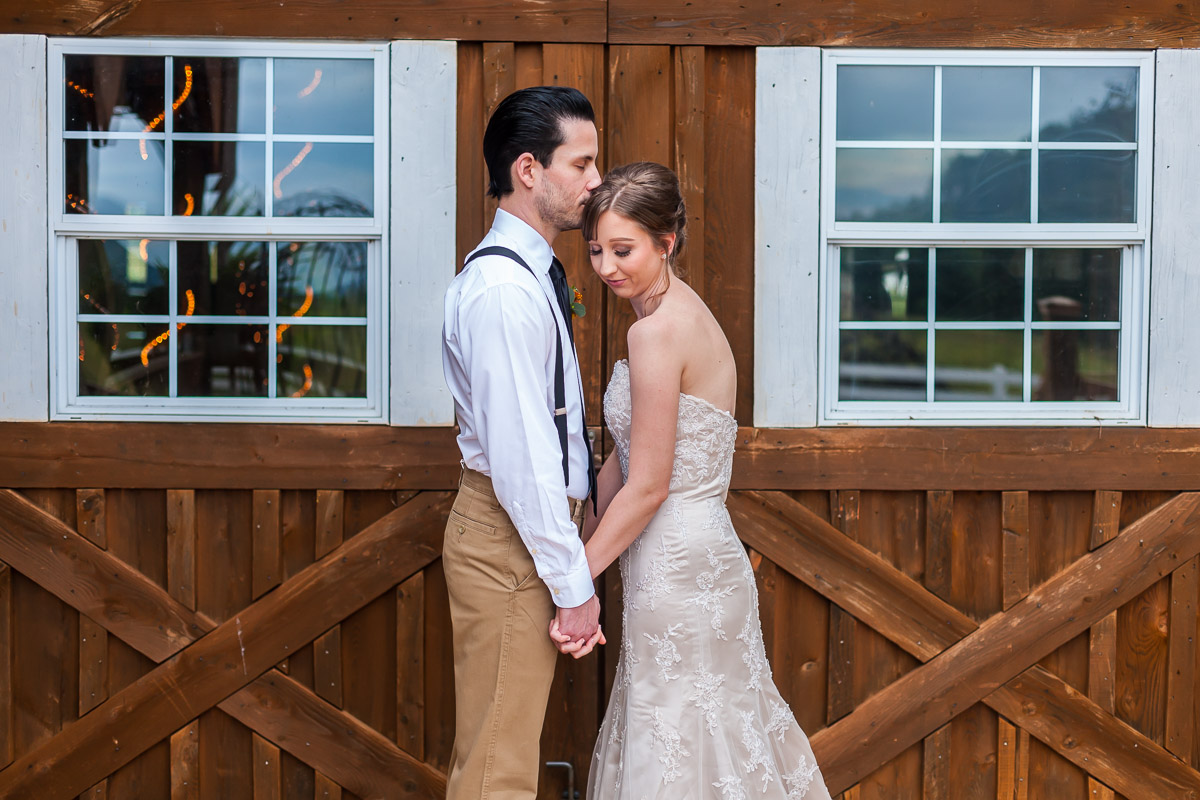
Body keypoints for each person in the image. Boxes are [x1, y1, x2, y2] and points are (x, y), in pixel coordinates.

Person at [557, 162, 832, 799]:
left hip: (677, 560)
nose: (606, 268)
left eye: (623, 250)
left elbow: (650, 484)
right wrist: (575, 544)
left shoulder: (656, 334)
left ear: (667, 242)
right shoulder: (689, 314)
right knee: (708, 731)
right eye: (595, 250)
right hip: (693, 553)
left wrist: (575, 584)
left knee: (677, 730)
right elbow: (627, 459)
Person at [441, 85, 605, 800]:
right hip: (512, 534)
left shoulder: (531, 275)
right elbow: (523, 456)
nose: (597, 182)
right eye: (584, 164)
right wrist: (574, 589)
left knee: (503, 753)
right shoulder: (504, 293)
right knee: (496, 769)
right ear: (529, 171)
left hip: (526, 534)